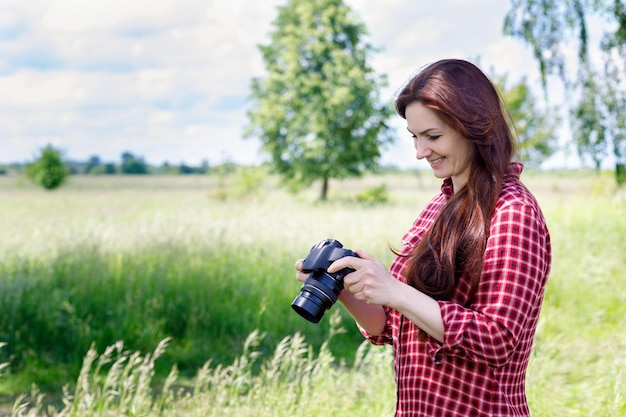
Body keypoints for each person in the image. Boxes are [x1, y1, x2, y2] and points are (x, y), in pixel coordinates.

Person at [295, 59, 552, 416]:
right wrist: (346, 286)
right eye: (415, 137)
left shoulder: (513, 213)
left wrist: (396, 291)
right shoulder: (437, 207)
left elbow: (498, 339)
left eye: (433, 136)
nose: (420, 152)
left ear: (475, 127)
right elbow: (391, 327)